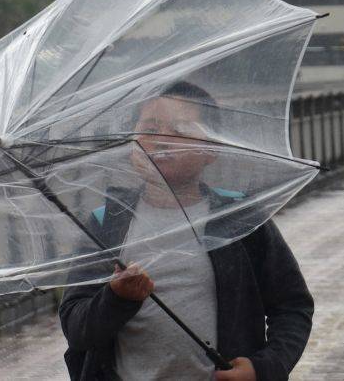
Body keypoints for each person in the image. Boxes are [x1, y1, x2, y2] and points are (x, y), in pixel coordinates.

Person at [58, 82, 314, 381]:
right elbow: (76, 328)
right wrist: (116, 298)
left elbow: (292, 304)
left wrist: (265, 367)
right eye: (150, 128)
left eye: (180, 129)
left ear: (211, 149)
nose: (162, 141)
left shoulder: (238, 218)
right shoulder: (107, 223)